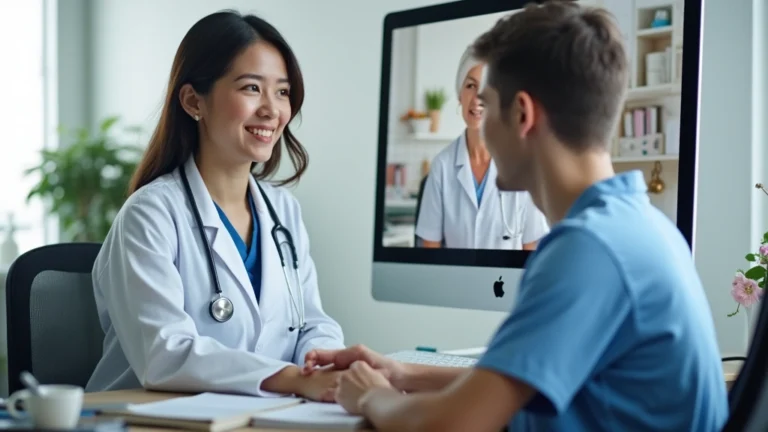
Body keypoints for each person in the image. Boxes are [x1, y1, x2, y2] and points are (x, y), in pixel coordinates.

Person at [303, 2, 728, 431]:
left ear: (522, 114)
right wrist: (404, 373)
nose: (480, 121)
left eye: (486, 103)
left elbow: (452, 425)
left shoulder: (590, 249)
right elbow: (512, 382)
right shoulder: (636, 225)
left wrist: (372, 397)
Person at [86, 10, 345, 401]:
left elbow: (312, 321)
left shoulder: (283, 212)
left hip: (257, 416)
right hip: (145, 420)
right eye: (251, 88)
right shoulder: (150, 215)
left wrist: (321, 364)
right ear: (194, 101)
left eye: (282, 91)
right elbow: (164, 354)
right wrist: (292, 379)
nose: (272, 111)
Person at [415, 46, 549, 250]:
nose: (477, 98)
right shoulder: (442, 167)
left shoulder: (523, 166)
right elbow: (430, 248)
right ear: (460, 95)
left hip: (506, 282)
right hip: (454, 282)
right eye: (470, 86)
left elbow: (531, 249)